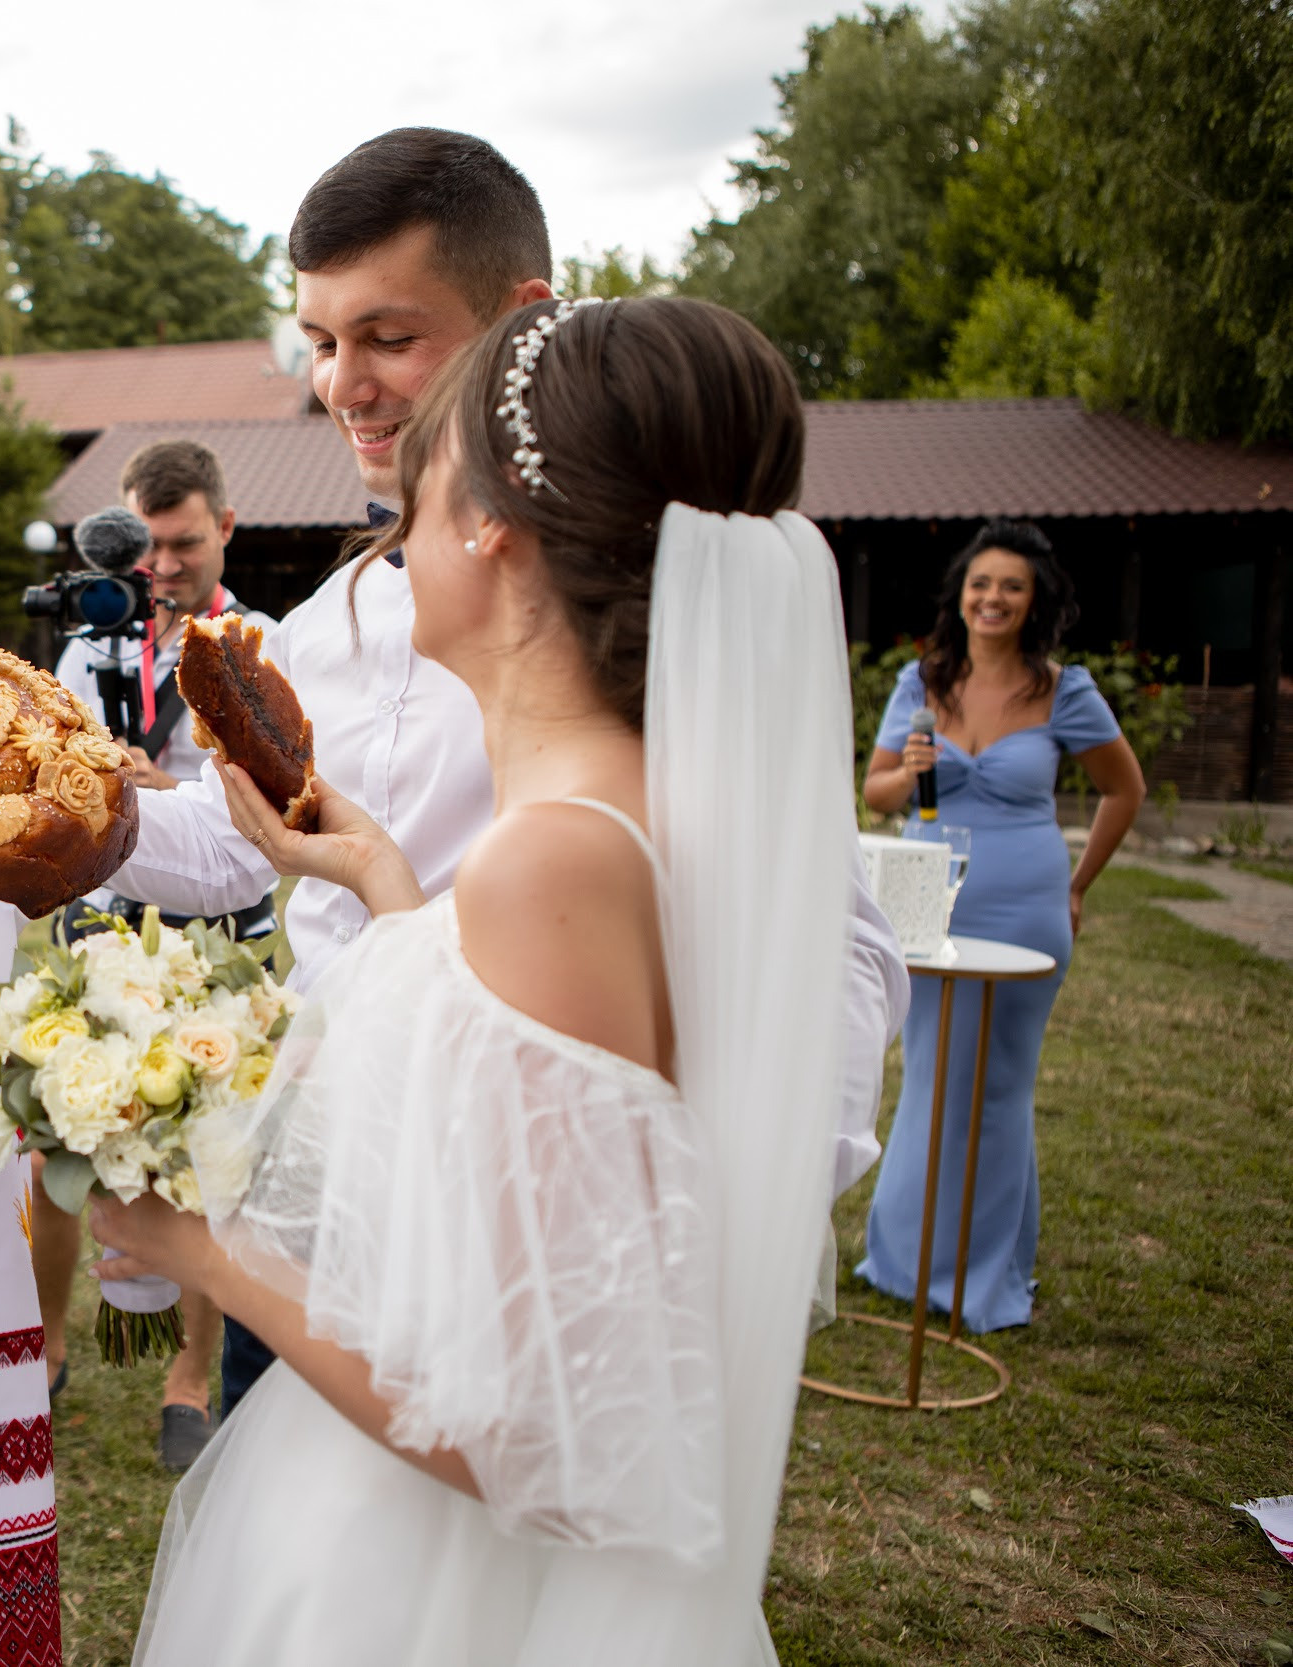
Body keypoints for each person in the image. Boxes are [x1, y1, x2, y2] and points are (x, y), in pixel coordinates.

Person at [95, 293, 862, 1664]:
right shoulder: (642, 810)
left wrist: (192, 1245)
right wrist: (386, 882)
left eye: (420, 493)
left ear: (491, 529)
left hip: (432, 1589)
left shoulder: (550, 860)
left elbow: (541, 1427)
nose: (392, 536)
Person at [103, 128, 909, 1415]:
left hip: (526, 1238)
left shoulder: (654, 655)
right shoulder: (324, 625)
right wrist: (58, 813)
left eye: (387, 336)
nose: (341, 384)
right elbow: (242, 833)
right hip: (310, 1187)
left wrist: (714, 1217)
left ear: (521, 320)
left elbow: (835, 948)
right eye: (318, 340)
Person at [46, 439, 275, 1467]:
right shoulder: (86, 640)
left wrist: (155, 785)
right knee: (58, 1125)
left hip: (219, 931)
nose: (163, 566)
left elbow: (271, 809)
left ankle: (192, 1369)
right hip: (102, 919)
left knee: (207, 1151)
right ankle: (47, 1340)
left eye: (183, 543)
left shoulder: (260, 643)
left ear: (225, 527)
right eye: (145, 545)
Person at [858, 519, 1143, 1330]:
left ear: (1035, 600)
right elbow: (875, 792)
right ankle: (903, 1260)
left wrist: (1078, 885)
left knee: (999, 1086)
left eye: (1011, 586)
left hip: (1024, 901)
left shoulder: (1066, 691)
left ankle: (985, 1275)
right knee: (931, 1075)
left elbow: (1126, 791)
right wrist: (904, 774)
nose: (993, 598)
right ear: (962, 594)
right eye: (981, 584)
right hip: (925, 904)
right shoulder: (922, 684)